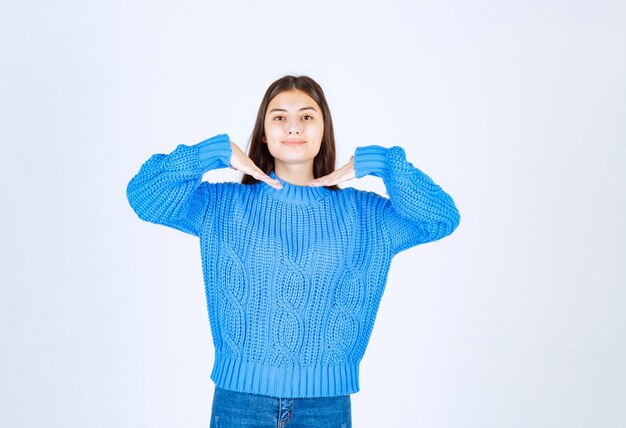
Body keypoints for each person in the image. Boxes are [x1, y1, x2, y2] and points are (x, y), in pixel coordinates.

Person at [126, 75, 460, 427]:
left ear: (323, 129)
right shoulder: (222, 204)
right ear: (264, 132)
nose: (293, 127)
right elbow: (144, 198)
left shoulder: (367, 215)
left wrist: (383, 164)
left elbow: (440, 219)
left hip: (325, 406)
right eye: (279, 117)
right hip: (240, 402)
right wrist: (211, 153)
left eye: (307, 116)